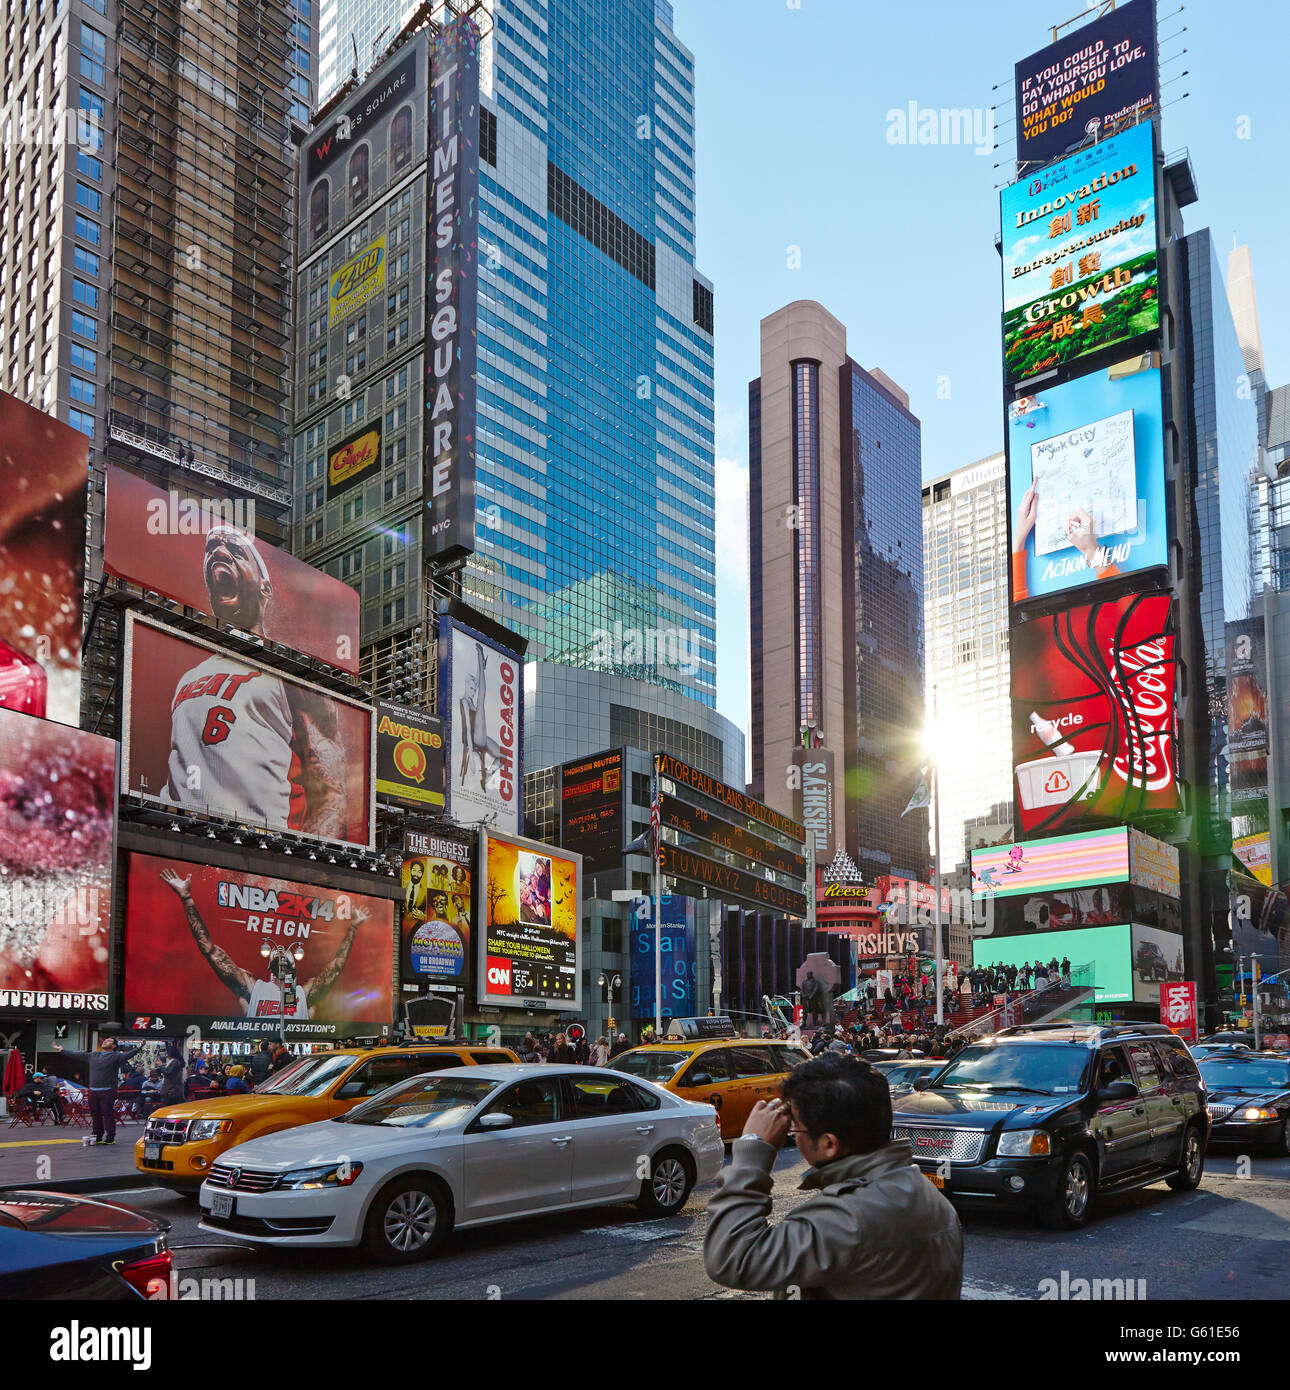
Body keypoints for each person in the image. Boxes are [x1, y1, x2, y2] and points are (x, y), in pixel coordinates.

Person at [704, 1053, 963, 1299]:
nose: (790, 1134)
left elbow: (733, 1257)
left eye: (794, 1128)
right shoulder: (921, 1191)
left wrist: (753, 1150)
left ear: (829, 1144)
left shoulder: (849, 1219)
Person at [164, 526, 350, 838]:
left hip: (264, 842)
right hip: (185, 836)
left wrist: (304, 860)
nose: (219, 553)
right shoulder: (188, 675)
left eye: (236, 552)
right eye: (212, 550)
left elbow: (332, 788)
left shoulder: (290, 675)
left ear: (265, 588)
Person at [160, 868, 369, 1020]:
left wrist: (353, 927)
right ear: (269, 965)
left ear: (294, 966)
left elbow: (337, 966)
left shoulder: (303, 994)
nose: (279, 949)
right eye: (276, 952)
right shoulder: (253, 987)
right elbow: (210, 950)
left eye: (285, 952)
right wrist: (187, 899)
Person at [52, 1037, 143, 1145]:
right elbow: (76, 1055)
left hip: (108, 1090)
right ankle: (97, 1136)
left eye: (109, 1041)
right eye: (105, 1040)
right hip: (93, 1090)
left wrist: (139, 1047)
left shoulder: (116, 1056)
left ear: (114, 1046)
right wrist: (62, 1050)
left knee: (107, 1114)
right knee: (95, 1114)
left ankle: (110, 1138)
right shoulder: (93, 1055)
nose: (105, 1041)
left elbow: (127, 1055)